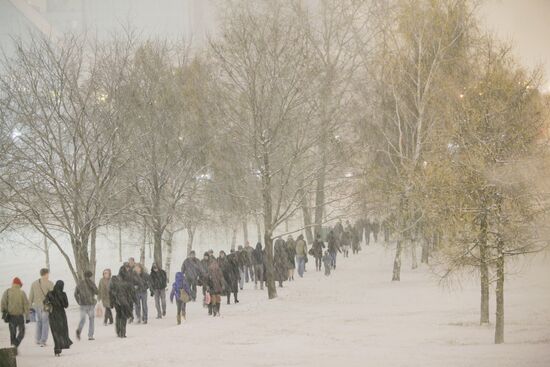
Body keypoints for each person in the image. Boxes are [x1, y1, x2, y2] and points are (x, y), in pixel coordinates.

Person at [1, 277, 29, 352]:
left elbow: (3, 303)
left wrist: (3, 312)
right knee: (22, 333)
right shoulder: (22, 293)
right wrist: (27, 316)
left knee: (12, 334)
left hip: (11, 317)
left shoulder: (7, 292)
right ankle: (15, 345)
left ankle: (13, 348)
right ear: (19, 284)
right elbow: (26, 305)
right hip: (20, 316)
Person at [45, 280, 72, 356]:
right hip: (61, 315)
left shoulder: (50, 293)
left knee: (55, 332)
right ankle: (62, 345)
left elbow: (45, 302)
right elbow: (66, 305)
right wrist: (60, 301)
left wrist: (52, 303)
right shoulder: (63, 294)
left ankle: (57, 349)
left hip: (52, 315)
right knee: (62, 331)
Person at [29, 268, 54, 347]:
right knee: (45, 323)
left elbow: (30, 296)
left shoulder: (34, 283)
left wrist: (29, 307)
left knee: (39, 322)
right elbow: (53, 296)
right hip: (45, 306)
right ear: (46, 274)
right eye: (48, 274)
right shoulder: (49, 283)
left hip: (36, 306)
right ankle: (43, 340)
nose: (48, 275)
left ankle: (38, 339)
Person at [111, 267, 135, 338]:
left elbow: (110, 291)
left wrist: (112, 300)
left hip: (117, 301)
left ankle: (118, 331)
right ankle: (122, 333)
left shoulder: (115, 279)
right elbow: (132, 291)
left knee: (118, 316)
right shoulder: (127, 280)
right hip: (124, 301)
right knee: (123, 316)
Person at [74, 270, 98, 341]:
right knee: (91, 320)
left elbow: (75, 293)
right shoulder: (91, 283)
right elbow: (97, 292)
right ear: (90, 276)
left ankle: (79, 330)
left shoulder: (80, 283)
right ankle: (90, 335)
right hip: (90, 304)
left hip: (83, 304)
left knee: (83, 319)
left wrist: (79, 301)